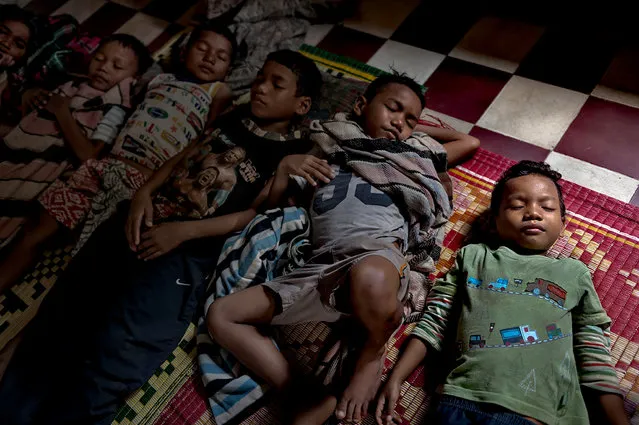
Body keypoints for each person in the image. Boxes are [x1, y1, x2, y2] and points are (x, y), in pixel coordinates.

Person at [0, 49, 323, 425]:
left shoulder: (293, 152)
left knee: (119, 348)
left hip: (188, 249)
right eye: (259, 79)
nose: (260, 89)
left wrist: (184, 231)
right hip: (141, 221)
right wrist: (143, 193)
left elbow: (256, 217)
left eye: (275, 84)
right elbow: (185, 155)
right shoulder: (235, 117)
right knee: (64, 317)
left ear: (302, 104)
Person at [207, 73, 480, 424]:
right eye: (392, 108)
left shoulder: (416, 152)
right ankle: (304, 394)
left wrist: (416, 129)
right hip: (321, 268)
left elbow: (467, 141)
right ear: (361, 105)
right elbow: (272, 209)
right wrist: (283, 170)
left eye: (410, 118)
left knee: (370, 276)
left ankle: (369, 357)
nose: (399, 121)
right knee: (221, 315)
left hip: (378, 258)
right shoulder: (324, 147)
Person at [375, 161, 628, 425]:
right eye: (518, 205)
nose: (533, 213)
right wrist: (395, 378)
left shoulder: (574, 273)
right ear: (495, 221)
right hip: (460, 402)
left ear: (563, 222)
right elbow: (435, 322)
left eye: (547, 206)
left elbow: (594, 354)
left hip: (539, 416)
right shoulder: (473, 257)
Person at [0, 21, 236, 292]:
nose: (209, 59)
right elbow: (119, 109)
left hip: (143, 182)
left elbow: (205, 137)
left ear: (228, 69)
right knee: (37, 231)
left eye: (220, 57)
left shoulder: (219, 91)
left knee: (94, 259)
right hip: (105, 166)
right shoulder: (158, 79)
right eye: (202, 49)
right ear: (185, 51)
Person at [0, 33, 149, 251]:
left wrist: (63, 112)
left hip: (35, 174)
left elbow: (88, 155)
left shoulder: (113, 109)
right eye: (99, 58)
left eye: (117, 66)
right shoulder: (72, 84)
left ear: (133, 79)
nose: (104, 67)